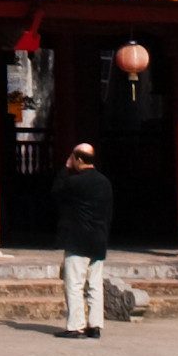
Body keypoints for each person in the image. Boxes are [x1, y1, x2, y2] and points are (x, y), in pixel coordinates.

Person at [54, 141, 115, 337]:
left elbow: (55, 193)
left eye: (73, 158)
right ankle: (95, 326)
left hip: (77, 239)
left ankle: (75, 326)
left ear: (78, 159)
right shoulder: (105, 182)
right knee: (95, 285)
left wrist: (65, 169)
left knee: (75, 284)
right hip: (99, 239)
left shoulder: (74, 183)